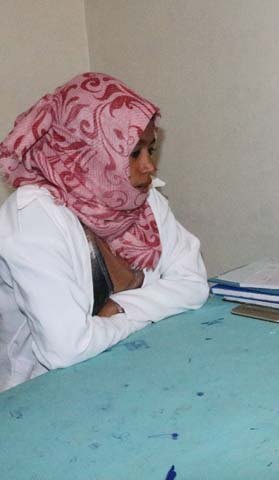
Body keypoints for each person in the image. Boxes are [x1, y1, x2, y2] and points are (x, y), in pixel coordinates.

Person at [0, 72, 209, 392]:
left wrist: (121, 307)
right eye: (133, 153)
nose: (149, 166)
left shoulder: (142, 197)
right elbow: (66, 348)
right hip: (39, 394)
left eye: (150, 150)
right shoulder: (34, 217)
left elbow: (193, 285)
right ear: (87, 151)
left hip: (127, 367)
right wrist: (138, 313)